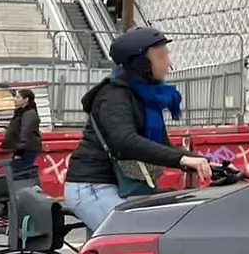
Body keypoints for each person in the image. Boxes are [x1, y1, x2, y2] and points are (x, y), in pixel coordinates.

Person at [62, 27, 212, 234]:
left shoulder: (147, 97)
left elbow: (161, 146)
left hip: (117, 185)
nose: (168, 63)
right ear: (141, 63)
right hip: (92, 186)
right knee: (134, 239)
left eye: (167, 55)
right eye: (160, 56)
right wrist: (182, 160)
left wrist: (201, 161)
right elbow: (124, 141)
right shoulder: (114, 95)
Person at [1, 88, 42, 180]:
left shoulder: (28, 114)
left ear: (26, 100)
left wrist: (19, 151)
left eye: (18, 97)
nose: (15, 99)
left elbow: (26, 132)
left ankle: (22, 191)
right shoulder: (21, 112)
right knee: (20, 172)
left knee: (19, 174)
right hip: (23, 148)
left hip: (26, 150)